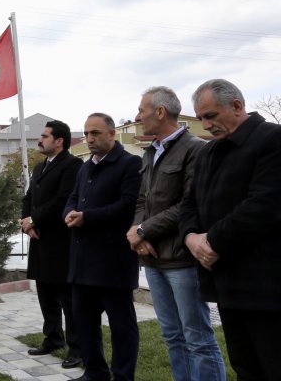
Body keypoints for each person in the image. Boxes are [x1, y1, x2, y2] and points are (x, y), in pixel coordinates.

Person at [179, 79, 281, 380]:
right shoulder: (210, 152)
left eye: (211, 116)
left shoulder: (272, 140)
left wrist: (211, 242)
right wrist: (191, 238)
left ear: (237, 105)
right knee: (245, 367)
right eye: (200, 119)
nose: (206, 125)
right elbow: (188, 203)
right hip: (226, 282)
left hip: (267, 286)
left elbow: (263, 205)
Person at [127, 87, 225, 381]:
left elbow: (188, 204)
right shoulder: (150, 152)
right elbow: (142, 200)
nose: (137, 116)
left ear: (160, 111)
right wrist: (137, 233)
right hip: (154, 259)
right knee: (172, 335)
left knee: (197, 339)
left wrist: (144, 229)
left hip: (182, 260)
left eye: (142, 110)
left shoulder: (196, 149)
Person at [63, 113, 142, 381]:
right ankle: (95, 371)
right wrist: (69, 212)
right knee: (84, 321)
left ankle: (122, 375)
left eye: (95, 133)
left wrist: (87, 218)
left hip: (113, 260)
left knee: (121, 324)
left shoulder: (130, 163)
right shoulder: (85, 167)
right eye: (86, 134)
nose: (90, 138)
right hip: (82, 259)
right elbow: (73, 197)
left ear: (112, 134)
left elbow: (128, 205)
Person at [21, 121, 83, 369]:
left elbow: (62, 201)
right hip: (39, 241)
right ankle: (53, 338)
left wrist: (35, 219)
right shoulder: (39, 167)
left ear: (59, 141)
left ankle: (77, 347)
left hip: (61, 244)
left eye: (44, 136)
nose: (40, 140)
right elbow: (28, 198)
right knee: (45, 296)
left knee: (68, 300)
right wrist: (26, 222)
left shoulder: (72, 165)